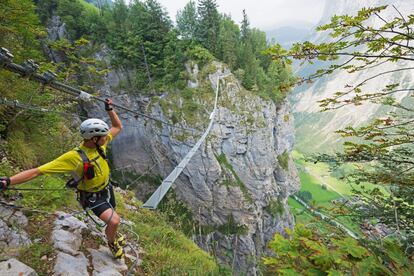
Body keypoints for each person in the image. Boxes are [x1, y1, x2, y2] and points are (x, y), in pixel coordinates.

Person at [0, 99, 125, 258]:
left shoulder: (101, 143)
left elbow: (117, 127)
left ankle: (112, 233)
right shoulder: (72, 157)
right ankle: (112, 243)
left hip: (107, 189)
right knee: (114, 221)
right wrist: (8, 181)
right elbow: (37, 171)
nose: (106, 137)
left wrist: (110, 109)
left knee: (113, 217)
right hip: (92, 197)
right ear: (93, 139)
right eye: (102, 136)